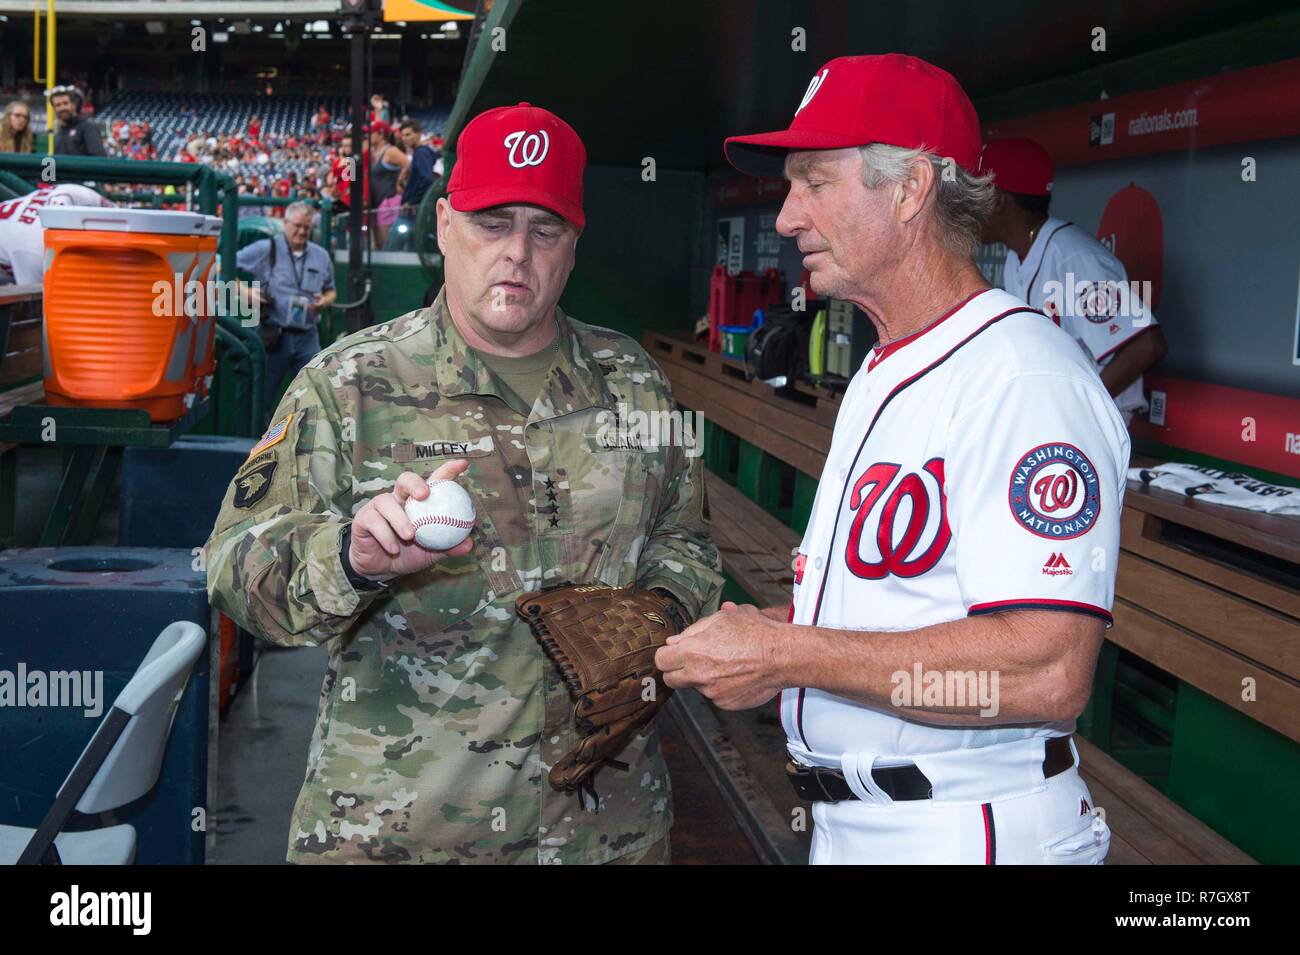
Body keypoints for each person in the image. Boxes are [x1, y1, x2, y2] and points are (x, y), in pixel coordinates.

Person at [204, 102, 723, 864]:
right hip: (401, 828)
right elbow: (232, 567)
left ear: (574, 246)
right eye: (491, 222)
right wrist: (353, 557)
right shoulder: (348, 384)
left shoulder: (633, 384)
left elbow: (689, 539)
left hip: (600, 830)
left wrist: (659, 612)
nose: (516, 251)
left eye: (545, 229)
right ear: (443, 225)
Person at [658, 54, 1129, 865]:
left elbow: (1047, 671)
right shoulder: (888, 362)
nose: (786, 217)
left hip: (966, 828)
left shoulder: (1022, 376)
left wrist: (790, 654)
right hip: (862, 825)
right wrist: (782, 635)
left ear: (911, 188)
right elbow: (908, 608)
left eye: (815, 181)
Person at [978, 137, 1168, 425]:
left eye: (974, 192)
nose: (966, 206)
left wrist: (1078, 412)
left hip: (1095, 428)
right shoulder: (1017, 258)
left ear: (998, 199)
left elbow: (1146, 345)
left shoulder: (1074, 258)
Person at [234, 201, 336, 422]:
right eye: (297, 226)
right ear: (285, 223)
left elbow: (331, 291)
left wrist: (324, 301)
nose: (301, 231)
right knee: (262, 399)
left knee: (317, 396)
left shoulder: (321, 255)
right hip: (274, 336)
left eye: (306, 228)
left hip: (308, 336)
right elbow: (226, 264)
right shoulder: (266, 248)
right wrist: (244, 291)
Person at [383, 118, 437, 251]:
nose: (405, 139)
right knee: (414, 252)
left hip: (412, 211)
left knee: (389, 251)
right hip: (417, 212)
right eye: (403, 136)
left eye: (408, 134)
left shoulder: (421, 152)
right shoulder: (421, 153)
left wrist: (412, 200)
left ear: (419, 134)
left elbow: (427, 180)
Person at [368, 121, 409, 246]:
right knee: (379, 245)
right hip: (376, 203)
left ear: (380, 134)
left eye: (372, 132)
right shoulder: (371, 152)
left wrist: (400, 181)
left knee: (387, 245)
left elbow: (409, 164)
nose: (369, 136)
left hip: (389, 201)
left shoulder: (390, 151)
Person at [49, 86, 105, 157]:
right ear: (54, 109)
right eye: (58, 105)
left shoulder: (87, 127)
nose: (62, 108)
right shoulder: (58, 134)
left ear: (73, 105)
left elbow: (99, 159)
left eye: (65, 103)